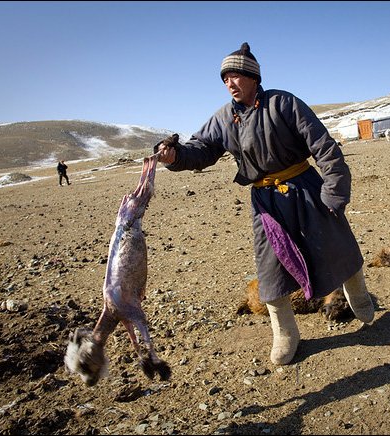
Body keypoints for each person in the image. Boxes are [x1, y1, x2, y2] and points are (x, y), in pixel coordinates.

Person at [155, 42, 374, 365]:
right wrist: (176, 156)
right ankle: (285, 332)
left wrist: (334, 190)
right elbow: (201, 150)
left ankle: (358, 293)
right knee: (270, 266)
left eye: (235, 76)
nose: (229, 83)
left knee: (335, 243)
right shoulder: (223, 118)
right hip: (266, 202)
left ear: (253, 77)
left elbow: (324, 146)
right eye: (225, 78)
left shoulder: (283, 103)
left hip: (305, 187)